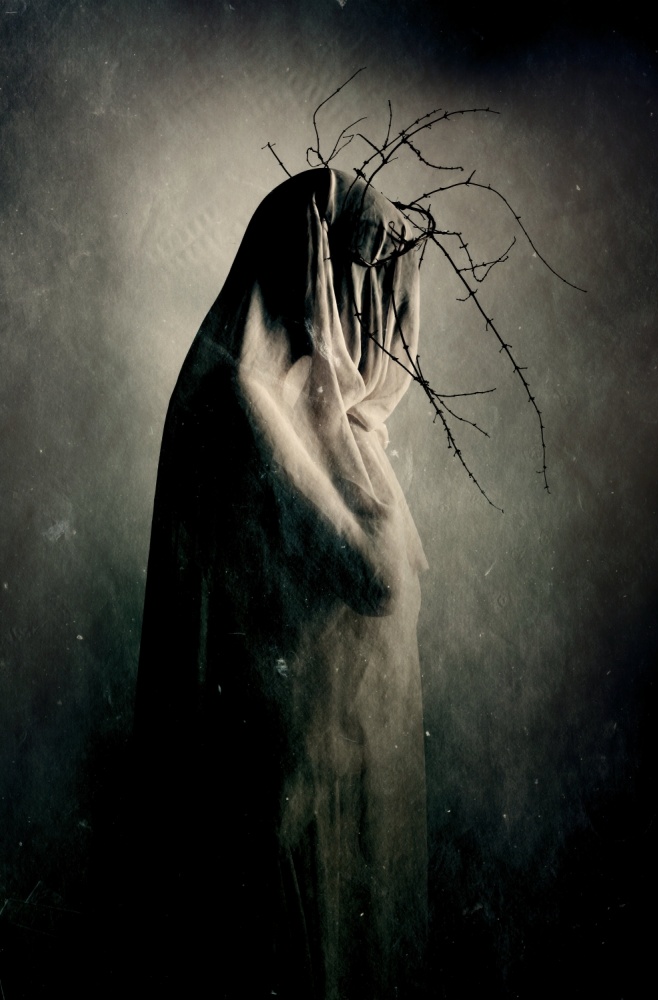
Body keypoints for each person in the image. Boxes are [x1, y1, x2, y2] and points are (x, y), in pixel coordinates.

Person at [135, 166, 428, 999]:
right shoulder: (248, 397)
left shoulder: (306, 405)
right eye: (363, 281)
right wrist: (340, 427)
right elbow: (377, 577)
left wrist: (343, 418)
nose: (377, 317)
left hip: (317, 768)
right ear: (320, 272)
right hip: (277, 783)